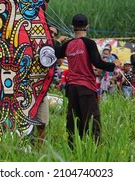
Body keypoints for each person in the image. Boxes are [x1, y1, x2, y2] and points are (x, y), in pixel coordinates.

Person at [56, 14, 121, 147]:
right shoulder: (89, 43)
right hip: (86, 87)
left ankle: (73, 148)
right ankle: (95, 149)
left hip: (72, 88)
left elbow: (56, 52)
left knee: (74, 119)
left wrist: (58, 40)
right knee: (92, 119)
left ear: (72, 27)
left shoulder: (67, 44)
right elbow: (97, 63)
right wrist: (114, 64)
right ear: (87, 26)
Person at [34, 23, 67, 145]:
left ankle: (38, 151)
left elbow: (57, 59)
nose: (52, 34)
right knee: (24, 125)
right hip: (27, 91)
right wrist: (58, 41)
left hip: (42, 93)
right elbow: (46, 52)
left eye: (54, 33)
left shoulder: (52, 48)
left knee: (42, 123)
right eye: (50, 31)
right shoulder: (35, 44)